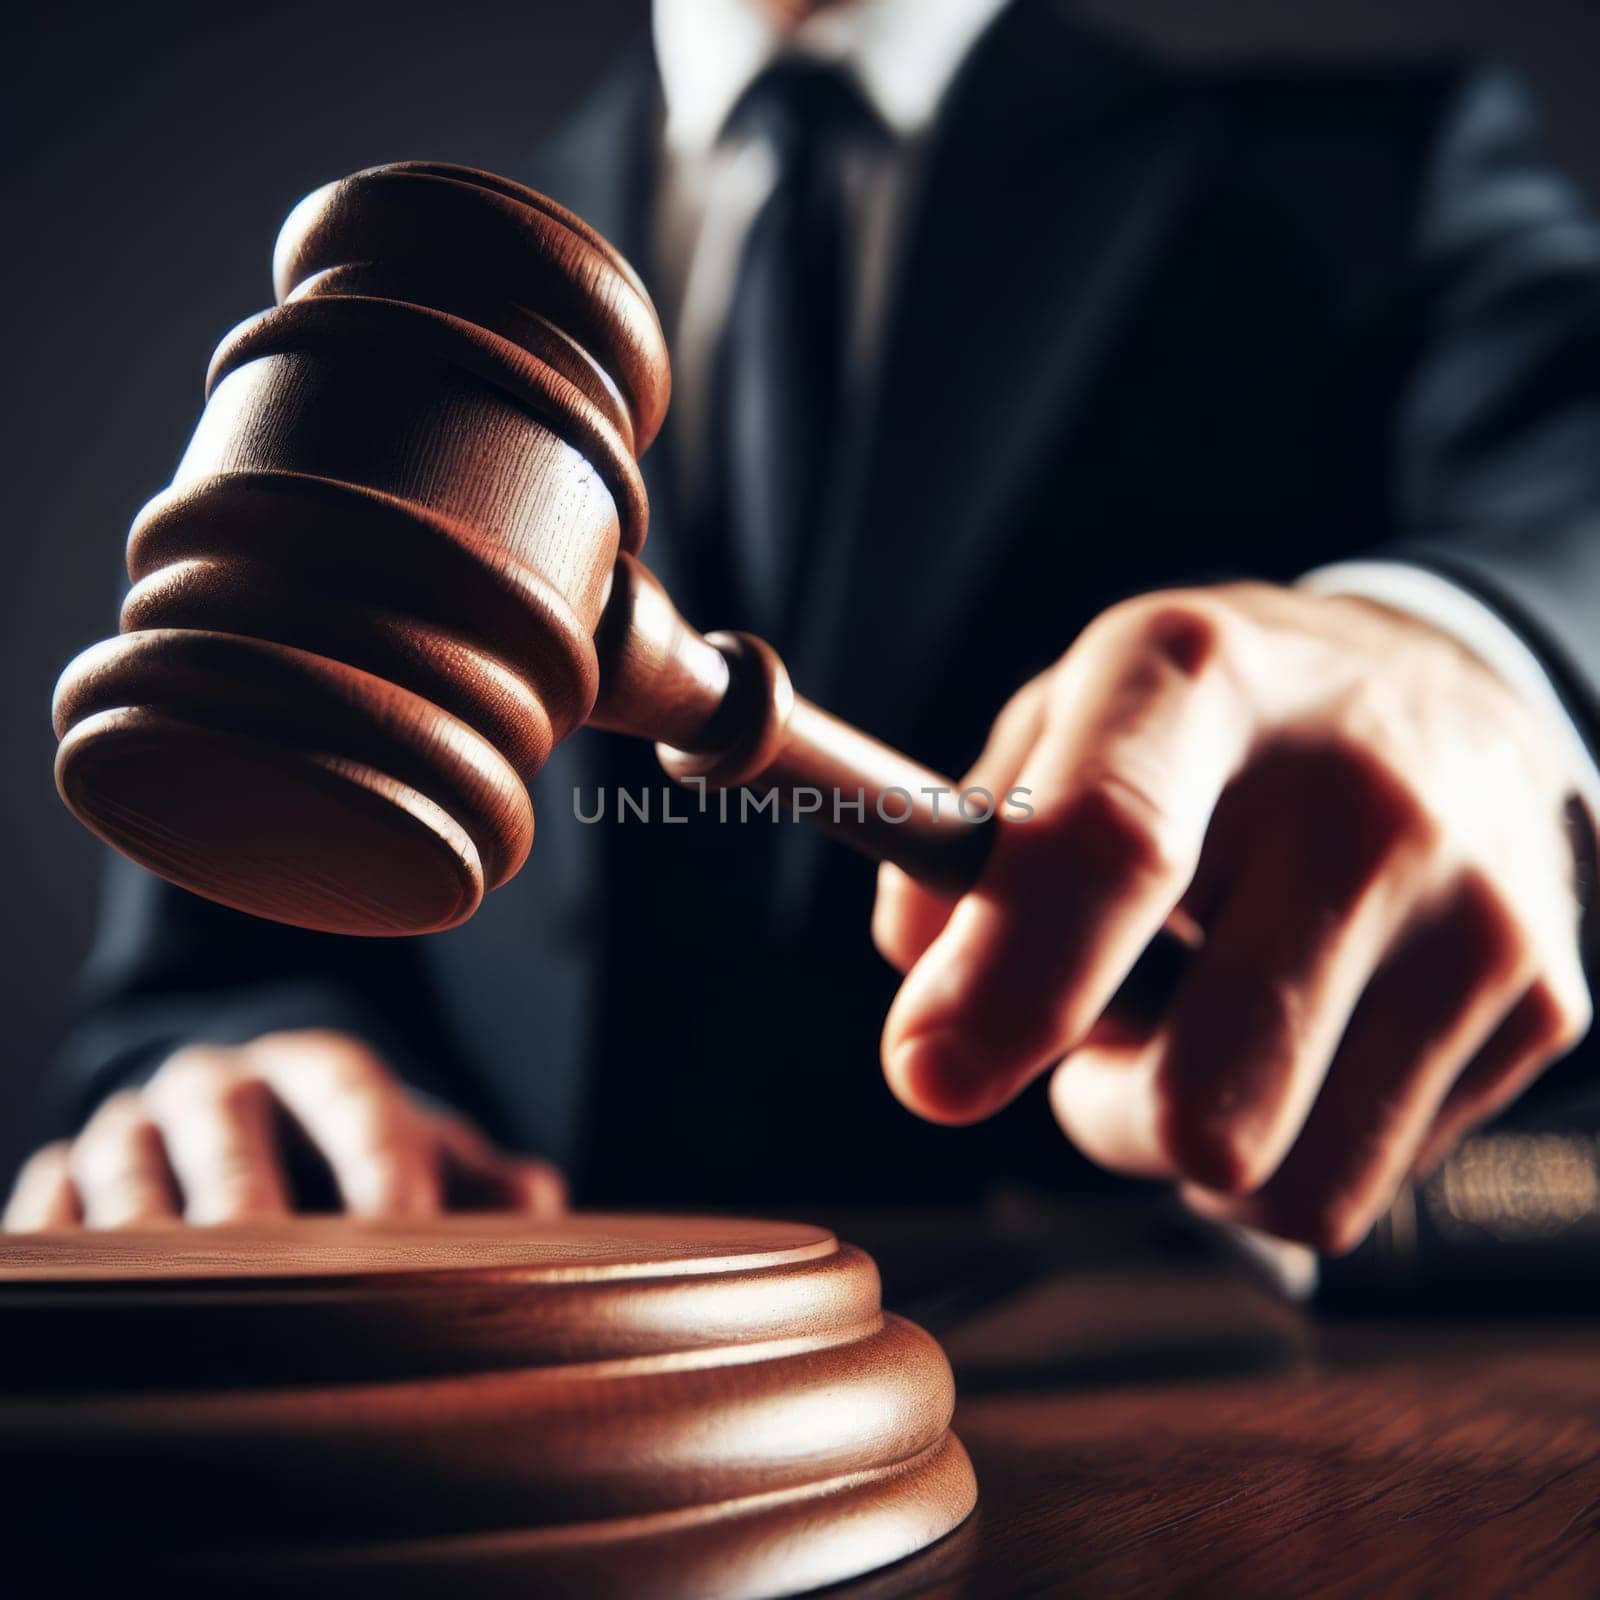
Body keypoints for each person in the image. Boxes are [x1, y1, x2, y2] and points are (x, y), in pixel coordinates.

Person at [9, 0, 1600, 1256]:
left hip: (1158, 1378)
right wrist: (232, 1081)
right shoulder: (411, 294)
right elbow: (191, 957)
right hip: (507, 1440)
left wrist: (1463, 656)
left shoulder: (1370, 174)